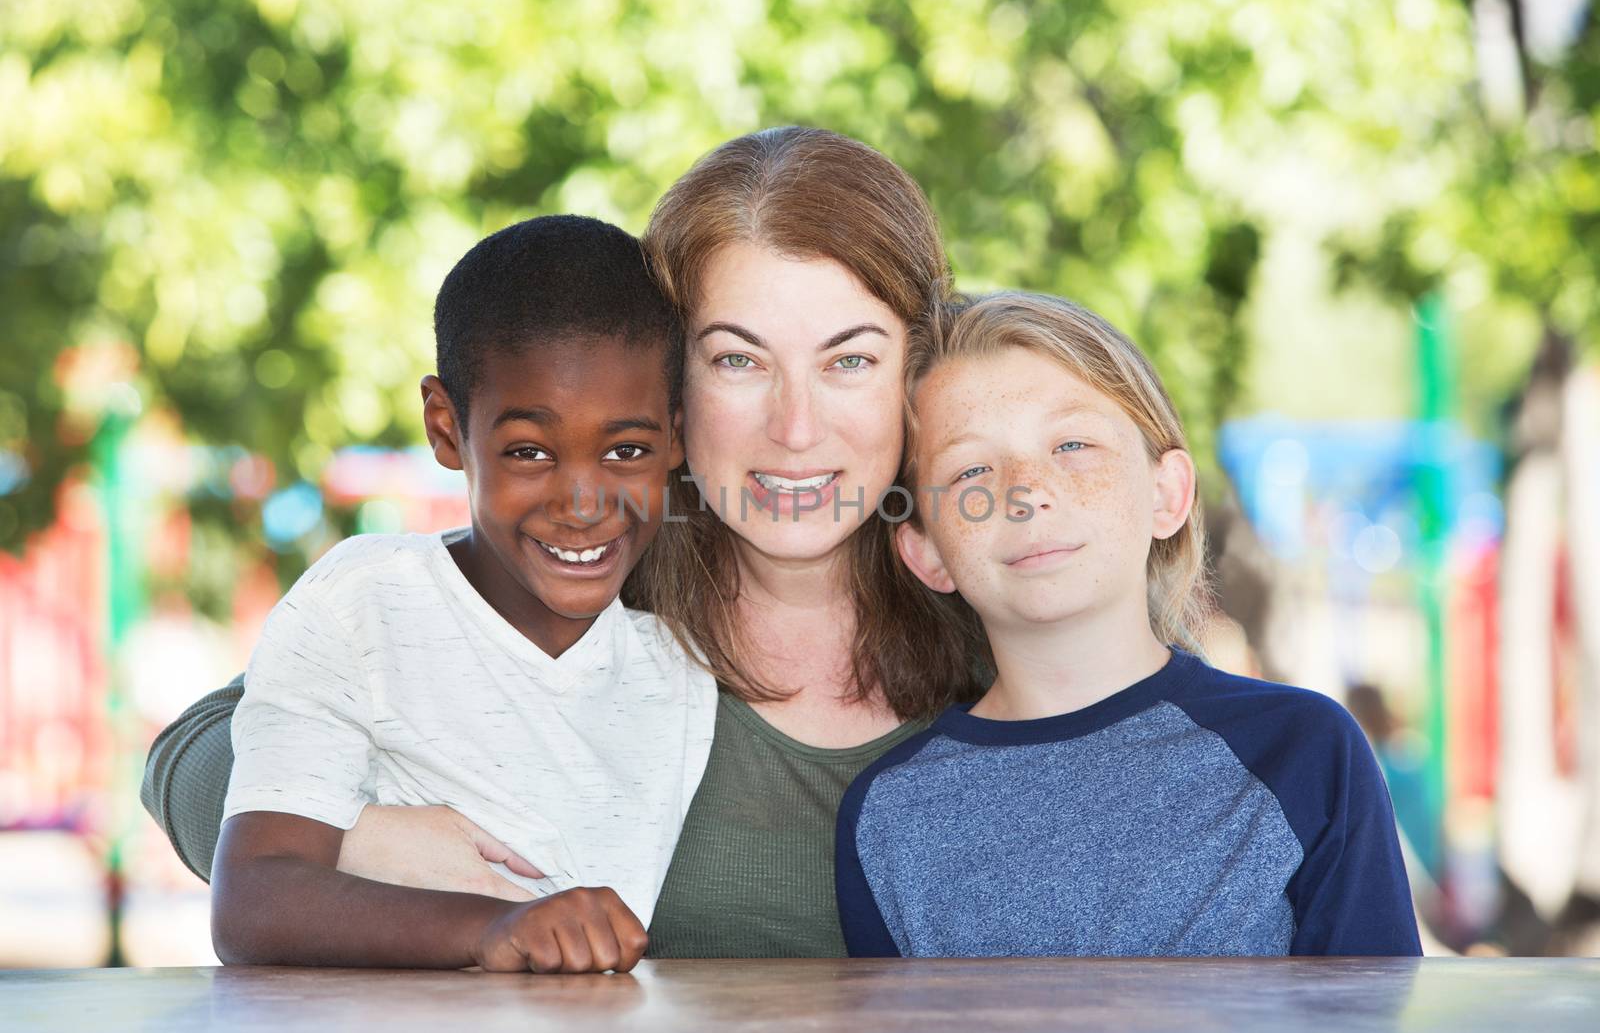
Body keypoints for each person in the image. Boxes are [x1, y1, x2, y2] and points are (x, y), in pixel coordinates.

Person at [142, 127, 987, 959]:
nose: (796, 428)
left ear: (914, 369)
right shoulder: (582, 570)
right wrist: (360, 840)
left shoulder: (1000, 619)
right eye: (738, 360)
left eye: (849, 362)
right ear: (672, 385)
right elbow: (195, 754)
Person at [835, 291, 1422, 957]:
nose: (1026, 490)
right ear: (926, 550)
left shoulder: (1306, 753)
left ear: (1167, 494)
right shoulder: (890, 817)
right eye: (972, 469)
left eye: (1073, 444)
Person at [209, 215, 717, 973]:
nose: (583, 502)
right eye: (529, 452)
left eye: (626, 450)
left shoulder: (682, 668)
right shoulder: (363, 607)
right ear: (447, 428)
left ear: (677, 437)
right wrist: (496, 927)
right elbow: (252, 900)